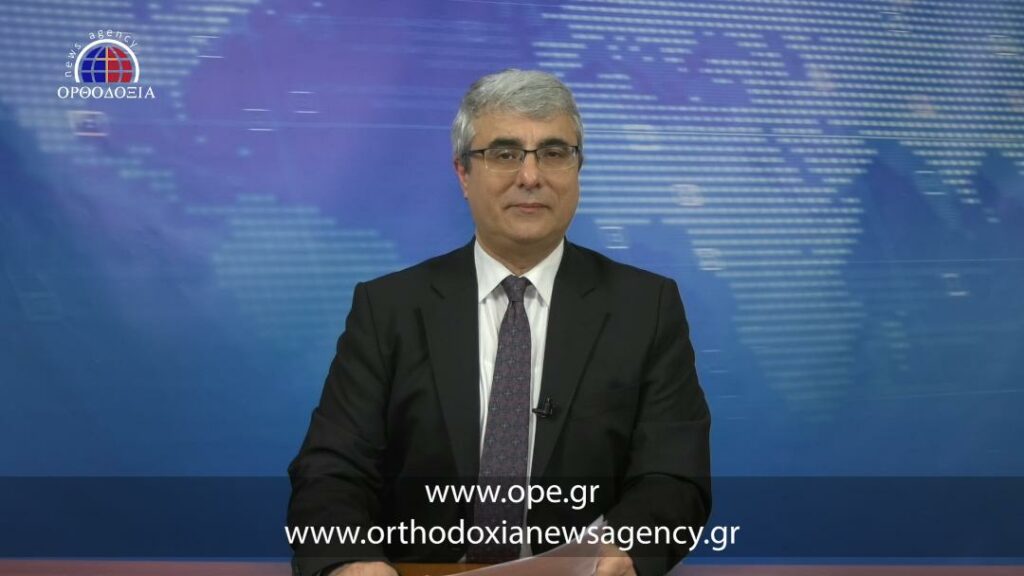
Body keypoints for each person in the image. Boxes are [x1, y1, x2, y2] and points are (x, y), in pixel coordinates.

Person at [287, 69, 711, 576]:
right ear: (463, 174)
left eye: (553, 153)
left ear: (577, 169)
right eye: (505, 154)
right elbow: (331, 471)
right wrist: (351, 562)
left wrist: (624, 552)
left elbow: (673, 476)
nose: (530, 176)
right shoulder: (388, 308)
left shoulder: (647, 307)